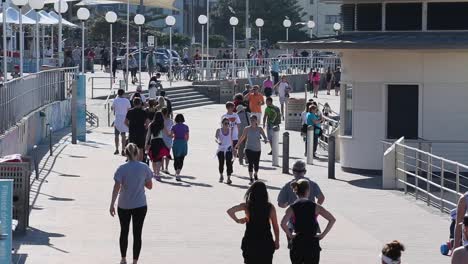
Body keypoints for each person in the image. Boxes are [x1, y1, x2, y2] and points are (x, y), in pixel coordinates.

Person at [109, 143, 153, 264]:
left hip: (124, 205)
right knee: (137, 233)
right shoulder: (144, 167)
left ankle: (123, 259)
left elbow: (116, 187)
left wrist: (112, 204)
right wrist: (140, 181)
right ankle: (135, 261)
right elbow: (150, 186)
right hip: (140, 205)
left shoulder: (121, 168)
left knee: (124, 231)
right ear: (137, 153)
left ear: (126, 153)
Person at [280, 179, 336, 264]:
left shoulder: (292, 207)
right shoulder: (316, 207)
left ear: (296, 191)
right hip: (312, 242)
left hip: (298, 242)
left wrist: (290, 235)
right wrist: (322, 235)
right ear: (307, 191)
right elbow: (332, 219)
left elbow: (283, 223)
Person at [227, 181, 280, 264]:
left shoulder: (247, 206)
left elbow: (230, 211)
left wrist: (238, 220)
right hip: (266, 243)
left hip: (250, 242)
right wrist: (277, 241)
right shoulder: (270, 207)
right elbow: (275, 226)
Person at [236, 115, 268, 184]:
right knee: (250, 163)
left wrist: (265, 140)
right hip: (248, 148)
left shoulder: (259, 129)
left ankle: (255, 174)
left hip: (257, 149)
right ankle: (250, 178)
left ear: (256, 121)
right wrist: (237, 145)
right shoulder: (247, 128)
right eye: (251, 120)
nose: (252, 121)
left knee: (256, 164)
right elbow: (242, 137)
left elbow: (264, 136)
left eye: (253, 120)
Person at [146, 112, 171, 180]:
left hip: (153, 142)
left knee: (154, 159)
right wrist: (172, 135)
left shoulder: (151, 124)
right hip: (160, 141)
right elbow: (167, 133)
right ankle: (157, 172)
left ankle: (155, 173)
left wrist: (146, 144)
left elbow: (148, 136)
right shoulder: (162, 124)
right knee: (160, 158)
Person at [112, 89, 131, 156]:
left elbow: (112, 108)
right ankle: (123, 149)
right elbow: (129, 110)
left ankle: (117, 149)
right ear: (123, 93)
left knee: (116, 135)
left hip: (117, 118)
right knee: (123, 135)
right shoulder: (126, 100)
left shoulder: (115, 100)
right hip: (124, 119)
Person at [216, 118, 234, 184]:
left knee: (229, 163)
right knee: (221, 163)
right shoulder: (219, 130)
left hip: (228, 149)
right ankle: (221, 175)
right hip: (221, 149)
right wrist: (218, 141)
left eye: (228, 123)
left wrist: (233, 149)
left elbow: (231, 139)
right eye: (225, 123)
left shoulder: (230, 130)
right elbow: (216, 137)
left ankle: (228, 178)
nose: (227, 125)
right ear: (222, 124)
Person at [171, 114, 189, 181]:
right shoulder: (186, 127)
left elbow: (171, 134)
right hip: (183, 143)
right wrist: (184, 142)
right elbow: (187, 137)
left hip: (176, 143)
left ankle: (176, 172)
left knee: (176, 159)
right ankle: (178, 173)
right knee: (182, 159)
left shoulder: (174, 126)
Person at [161, 107, 173, 175]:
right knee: (167, 154)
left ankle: (162, 167)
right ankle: (166, 168)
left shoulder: (160, 121)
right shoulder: (171, 121)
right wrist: (171, 135)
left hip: (162, 138)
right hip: (168, 139)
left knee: (162, 154)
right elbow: (172, 130)